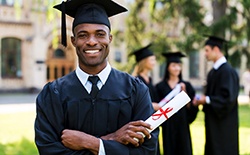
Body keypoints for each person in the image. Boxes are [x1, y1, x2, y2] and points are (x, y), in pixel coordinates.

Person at [34, 0, 159, 155]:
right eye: (83, 35)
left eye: (100, 34)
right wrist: (113, 141)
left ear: (110, 39)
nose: (92, 41)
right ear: (73, 41)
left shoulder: (136, 90)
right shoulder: (53, 94)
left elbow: (147, 150)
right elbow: (49, 151)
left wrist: (93, 143)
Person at [193, 35, 239, 155]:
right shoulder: (213, 72)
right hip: (213, 123)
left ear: (216, 50)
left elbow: (228, 99)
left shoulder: (227, 72)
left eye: (207, 50)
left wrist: (206, 99)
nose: (205, 54)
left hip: (225, 125)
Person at [155, 51, 198, 155]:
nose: (177, 68)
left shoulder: (186, 85)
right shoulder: (160, 87)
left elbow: (191, 108)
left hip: (182, 124)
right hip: (168, 126)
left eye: (179, 65)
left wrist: (184, 94)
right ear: (168, 67)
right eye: (174, 65)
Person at [130, 44, 160, 111]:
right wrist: (151, 105)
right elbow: (134, 102)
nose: (154, 63)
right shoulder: (135, 80)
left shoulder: (150, 79)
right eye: (152, 60)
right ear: (144, 61)